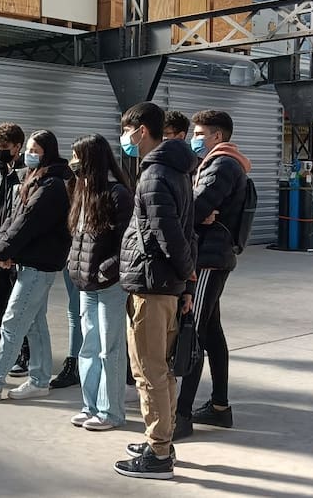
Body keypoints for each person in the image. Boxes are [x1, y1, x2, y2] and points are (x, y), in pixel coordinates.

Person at [114, 102, 197, 480]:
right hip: (166, 283)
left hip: (152, 285)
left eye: (127, 131)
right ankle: (159, 439)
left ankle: (159, 454)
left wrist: (185, 277)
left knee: (148, 371)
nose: (126, 139)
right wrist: (185, 281)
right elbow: (186, 230)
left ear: (141, 130)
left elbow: (168, 235)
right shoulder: (176, 171)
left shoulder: (153, 175)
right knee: (161, 369)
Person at [0, 130, 72, 402]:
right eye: (29, 149)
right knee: (34, 322)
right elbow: (13, 216)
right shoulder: (35, 180)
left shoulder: (52, 185)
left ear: (48, 152)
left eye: (35, 149)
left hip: (38, 265)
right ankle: (39, 379)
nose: (29, 154)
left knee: (12, 322)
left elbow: (27, 222)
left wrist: (4, 250)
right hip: (31, 262)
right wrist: (0, 249)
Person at [174, 110, 251, 439]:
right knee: (211, 333)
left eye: (200, 132)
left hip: (207, 258)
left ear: (217, 136)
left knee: (191, 332)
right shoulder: (223, 163)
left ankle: (181, 415)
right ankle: (220, 407)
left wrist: (189, 210)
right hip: (213, 255)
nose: (195, 138)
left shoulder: (220, 165)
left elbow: (196, 207)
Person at [66, 134, 134, 430]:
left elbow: (127, 243)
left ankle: (111, 411)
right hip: (85, 283)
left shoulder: (118, 194)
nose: (73, 163)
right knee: (89, 347)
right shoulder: (82, 191)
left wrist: (108, 270)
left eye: (78, 157)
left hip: (109, 284)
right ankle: (90, 405)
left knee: (110, 348)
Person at [0, 122, 32, 377]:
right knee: (2, 306)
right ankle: (6, 352)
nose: (0, 150)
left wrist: (13, 250)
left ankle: (24, 355)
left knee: (18, 308)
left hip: (15, 252)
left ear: (18, 146)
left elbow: (22, 216)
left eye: (5, 146)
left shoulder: (26, 173)